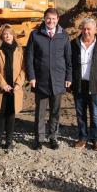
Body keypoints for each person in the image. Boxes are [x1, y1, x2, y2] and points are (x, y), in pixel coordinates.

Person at [26, 8, 72, 150]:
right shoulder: (35, 35)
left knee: (55, 112)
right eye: (48, 18)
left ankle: (53, 137)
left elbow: (68, 59)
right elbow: (29, 58)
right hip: (41, 80)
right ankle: (39, 139)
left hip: (58, 80)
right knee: (40, 112)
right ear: (44, 19)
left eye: (53, 19)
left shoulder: (64, 36)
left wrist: (68, 76)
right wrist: (31, 76)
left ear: (58, 19)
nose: (51, 21)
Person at [70, 18, 97, 151]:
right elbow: (69, 64)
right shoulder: (74, 44)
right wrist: (69, 82)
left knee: (95, 113)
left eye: (89, 29)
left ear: (95, 31)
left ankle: (96, 140)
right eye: (84, 29)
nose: (86, 31)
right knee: (80, 113)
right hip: (79, 84)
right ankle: (82, 138)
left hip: (96, 84)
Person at [0, 24, 26, 149]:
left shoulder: (20, 49)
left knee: (11, 115)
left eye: (10, 33)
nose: (7, 36)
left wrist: (18, 83)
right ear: (1, 35)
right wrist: (3, 84)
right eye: (5, 33)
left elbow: (23, 69)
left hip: (14, 88)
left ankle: (9, 141)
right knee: (0, 114)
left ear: (13, 35)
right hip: (1, 88)